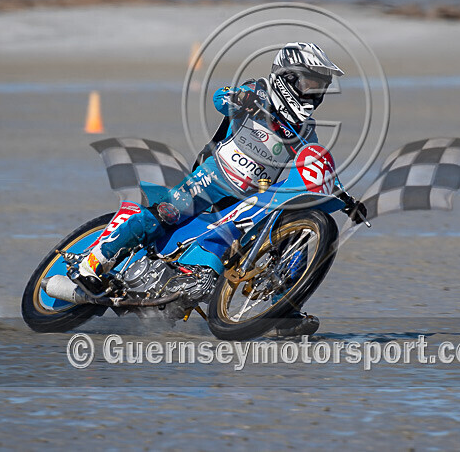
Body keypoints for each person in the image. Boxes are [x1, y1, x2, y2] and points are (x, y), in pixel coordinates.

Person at [74, 42, 367, 336]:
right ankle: (95, 261)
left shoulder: (305, 128)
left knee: (288, 237)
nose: (315, 93)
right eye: (310, 83)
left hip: (254, 195)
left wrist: (343, 197)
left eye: (320, 87)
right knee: (165, 213)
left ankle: (283, 311)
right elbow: (220, 98)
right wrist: (241, 98)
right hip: (214, 179)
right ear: (287, 77)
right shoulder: (259, 91)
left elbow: (312, 161)